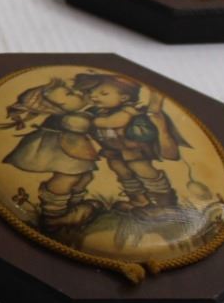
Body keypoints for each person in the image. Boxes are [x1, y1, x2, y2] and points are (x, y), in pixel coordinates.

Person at [0, 79, 101, 228]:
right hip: (61, 151)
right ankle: (53, 216)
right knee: (67, 178)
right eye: (70, 94)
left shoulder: (76, 113)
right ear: (58, 107)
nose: (78, 92)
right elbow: (82, 125)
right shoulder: (72, 119)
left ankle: (72, 206)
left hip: (73, 149)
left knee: (85, 177)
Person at [74, 73, 184, 210]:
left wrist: (90, 121)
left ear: (124, 97)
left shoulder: (127, 111)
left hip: (133, 150)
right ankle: (139, 201)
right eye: (91, 92)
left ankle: (163, 203)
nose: (94, 96)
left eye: (103, 93)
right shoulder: (97, 111)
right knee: (121, 171)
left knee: (143, 170)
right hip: (113, 150)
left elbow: (112, 122)